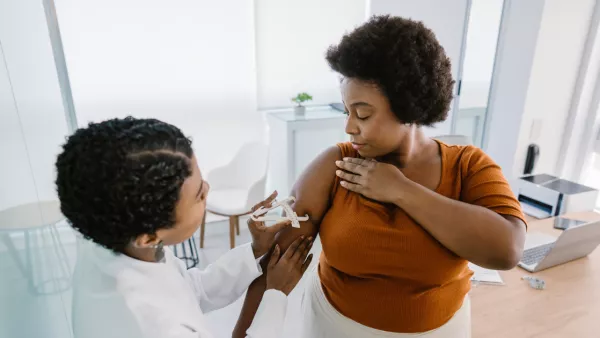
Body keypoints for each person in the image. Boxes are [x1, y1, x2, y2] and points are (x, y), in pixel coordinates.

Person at [234, 15, 527, 338]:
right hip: (334, 328)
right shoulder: (336, 165)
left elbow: (507, 250)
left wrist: (402, 191)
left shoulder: (469, 166)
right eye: (347, 112)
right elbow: (274, 267)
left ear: (409, 105)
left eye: (363, 114)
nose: (349, 127)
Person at [55, 117, 313, 338]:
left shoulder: (116, 239)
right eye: (199, 195)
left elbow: (190, 290)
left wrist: (255, 249)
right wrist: (276, 295)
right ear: (148, 237)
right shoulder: (154, 326)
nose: (208, 190)